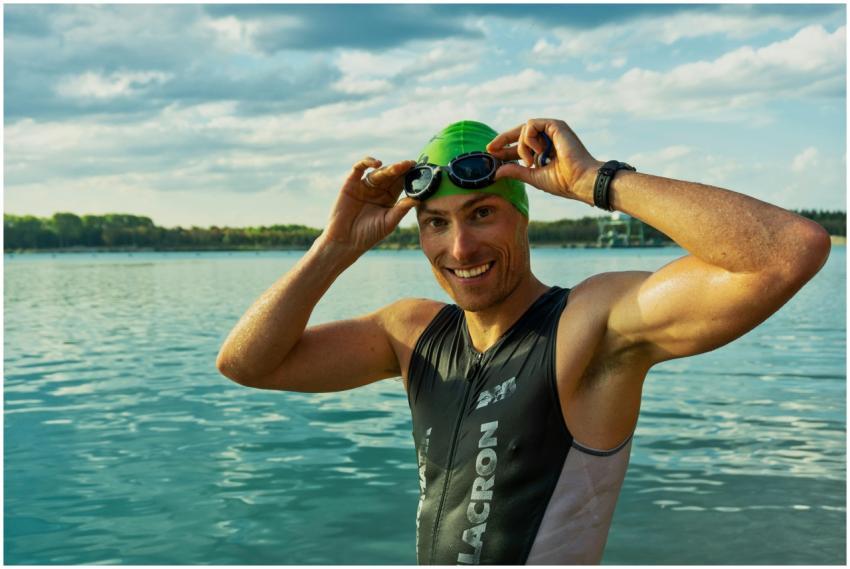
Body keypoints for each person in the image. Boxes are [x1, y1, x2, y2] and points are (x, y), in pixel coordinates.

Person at [216, 119, 831, 564]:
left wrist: (597, 181)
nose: (460, 249)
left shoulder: (588, 327)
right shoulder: (412, 335)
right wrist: (336, 248)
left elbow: (787, 251)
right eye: (437, 224)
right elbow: (246, 363)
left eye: (482, 213)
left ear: (522, 214)